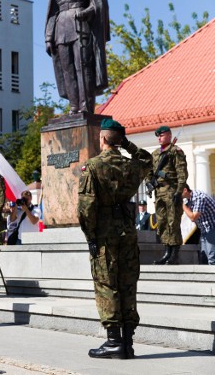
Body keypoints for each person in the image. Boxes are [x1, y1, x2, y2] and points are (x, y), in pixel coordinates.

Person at [78, 119, 152, 359]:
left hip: (105, 234)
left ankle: (113, 342)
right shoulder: (130, 165)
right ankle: (128, 343)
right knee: (128, 283)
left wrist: (90, 236)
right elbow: (148, 161)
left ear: (102, 139)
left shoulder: (93, 166)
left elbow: (86, 207)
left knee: (106, 285)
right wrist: (127, 145)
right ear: (119, 140)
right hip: (128, 232)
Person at [45, 0, 110, 114]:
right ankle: (74, 106)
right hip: (61, 30)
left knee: (83, 68)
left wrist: (85, 13)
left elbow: (98, 5)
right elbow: (52, 13)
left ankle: (86, 106)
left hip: (81, 28)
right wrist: (48, 37)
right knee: (67, 70)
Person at [145, 125, 188, 265]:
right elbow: (149, 171)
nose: (159, 138)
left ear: (169, 136)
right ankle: (166, 252)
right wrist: (149, 182)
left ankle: (174, 254)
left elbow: (182, 174)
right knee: (162, 223)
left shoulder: (176, 151)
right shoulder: (155, 154)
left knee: (172, 222)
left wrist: (178, 192)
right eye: (158, 136)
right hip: (159, 193)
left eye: (162, 135)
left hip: (171, 192)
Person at [181, 185, 215, 265]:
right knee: (204, 258)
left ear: (185, 190)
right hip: (204, 230)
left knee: (212, 259)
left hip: (212, 228)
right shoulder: (188, 200)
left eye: (179, 192)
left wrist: (183, 206)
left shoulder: (199, 197)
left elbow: (193, 217)